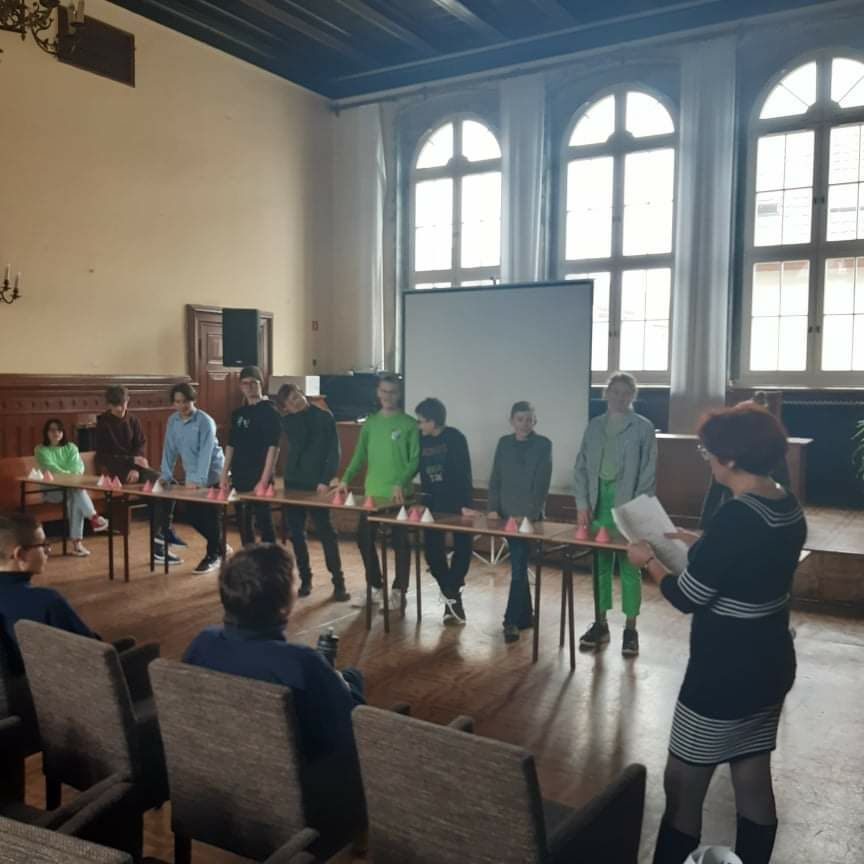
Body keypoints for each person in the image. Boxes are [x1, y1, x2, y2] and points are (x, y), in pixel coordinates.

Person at [627, 404, 806, 864]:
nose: (707, 460)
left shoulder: (736, 516)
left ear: (730, 458)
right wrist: (698, 543)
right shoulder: (785, 502)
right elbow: (751, 564)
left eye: (708, 452)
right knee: (751, 774)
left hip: (724, 673)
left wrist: (649, 561)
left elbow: (688, 595)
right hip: (770, 664)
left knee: (682, 787)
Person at [183, 543, 364, 764]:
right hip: (301, 773)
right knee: (353, 678)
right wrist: (343, 685)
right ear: (284, 606)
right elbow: (351, 730)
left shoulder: (203, 643)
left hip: (216, 760)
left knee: (348, 676)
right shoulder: (303, 664)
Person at [573, 372, 657, 657]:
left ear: (633, 396)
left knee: (630, 567)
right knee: (600, 566)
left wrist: (637, 510)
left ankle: (630, 629)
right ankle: (600, 623)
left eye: (626, 393)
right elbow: (581, 466)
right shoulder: (594, 426)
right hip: (598, 503)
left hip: (628, 504)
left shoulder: (643, 427)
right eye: (615, 392)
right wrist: (582, 503)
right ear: (606, 393)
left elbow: (648, 472)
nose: (620, 398)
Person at [336, 374, 419, 612]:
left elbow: (415, 460)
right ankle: (375, 586)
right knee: (363, 538)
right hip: (373, 494)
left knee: (400, 543)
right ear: (377, 392)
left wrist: (400, 482)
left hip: (399, 496)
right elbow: (359, 455)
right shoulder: (371, 423)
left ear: (399, 394)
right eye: (384, 391)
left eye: (392, 392)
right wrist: (345, 479)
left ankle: (399, 591)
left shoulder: (409, 424)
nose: (387, 396)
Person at [276, 384, 349, 602]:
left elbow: (333, 451)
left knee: (326, 532)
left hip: (317, 483)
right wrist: (293, 415)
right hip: (293, 482)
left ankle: (338, 582)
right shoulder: (288, 421)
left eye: (297, 396)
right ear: (286, 407)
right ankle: (305, 579)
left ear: (303, 393)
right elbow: (300, 440)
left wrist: (325, 479)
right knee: (296, 533)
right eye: (290, 401)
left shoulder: (324, 416)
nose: (296, 401)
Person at [94, 384, 181, 566]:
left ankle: (161, 539)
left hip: (135, 468)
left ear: (128, 401)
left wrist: (135, 464)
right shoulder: (103, 423)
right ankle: (160, 544)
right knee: (160, 492)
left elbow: (140, 445)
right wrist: (131, 462)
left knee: (168, 485)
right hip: (117, 472)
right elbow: (103, 456)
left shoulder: (133, 419)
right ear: (109, 405)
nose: (120, 409)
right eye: (116, 405)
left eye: (123, 404)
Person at [0, 514, 98, 674]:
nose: (48, 550)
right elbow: (93, 655)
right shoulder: (47, 601)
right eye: (43, 545)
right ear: (20, 554)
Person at [487, 401, 552, 643]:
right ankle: (525, 616)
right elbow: (496, 477)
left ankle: (511, 620)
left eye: (529, 419)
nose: (524, 423)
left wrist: (529, 515)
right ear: (512, 421)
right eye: (520, 419)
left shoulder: (543, 444)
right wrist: (492, 508)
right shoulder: (504, 443)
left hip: (528, 518)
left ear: (535, 421)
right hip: (505, 515)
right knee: (519, 563)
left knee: (518, 564)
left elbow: (542, 483)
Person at [415, 397, 474, 624]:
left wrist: (464, 505)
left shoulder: (455, 437)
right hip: (433, 503)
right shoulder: (422, 439)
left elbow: (464, 472)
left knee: (463, 547)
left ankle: (452, 597)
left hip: (458, 501)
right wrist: (423, 500)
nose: (419, 425)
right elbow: (423, 473)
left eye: (421, 421)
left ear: (433, 421)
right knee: (432, 553)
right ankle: (452, 596)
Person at [160, 383, 227, 574]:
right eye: (177, 402)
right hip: (192, 475)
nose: (181, 406)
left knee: (210, 516)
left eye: (185, 402)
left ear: (193, 400)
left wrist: (198, 480)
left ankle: (213, 555)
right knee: (191, 514)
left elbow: (206, 453)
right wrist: (165, 475)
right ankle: (220, 545)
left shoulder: (205, 421)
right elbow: (169, 449)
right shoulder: (173, 421)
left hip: (213, 473)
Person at [699, 391, 790, 528]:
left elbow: (784, 483)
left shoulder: (766, 453)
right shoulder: (726, 453)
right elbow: (714, 493)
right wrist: (703, 528)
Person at [220, 366, 281, 546]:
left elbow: (273, 448)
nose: (250, 387)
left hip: (260, 472)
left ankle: (271, 558)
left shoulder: (270, 411)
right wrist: (224, 473)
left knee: (263, 520)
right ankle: (249, 557)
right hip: (240, 473)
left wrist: (264, 479)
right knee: (243, 521)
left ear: (261, 384)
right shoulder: (238, 414)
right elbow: (231, 445)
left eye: (253, 383)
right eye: (245, 383)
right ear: (241, 387)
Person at [34, 418, 108, 557]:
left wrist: (69, 477)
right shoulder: (40, 449)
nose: (56, 433)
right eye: (52, 430)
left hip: (70, 488)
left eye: (59, 430)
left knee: (74, 497)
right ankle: (93, 518)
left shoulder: (71, 447)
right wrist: (69, 476)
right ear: (46, 432)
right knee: (76, 491)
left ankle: (78, 544)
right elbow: (52, 469)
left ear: (63, 432)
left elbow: (78, 467)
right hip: (51, 490)